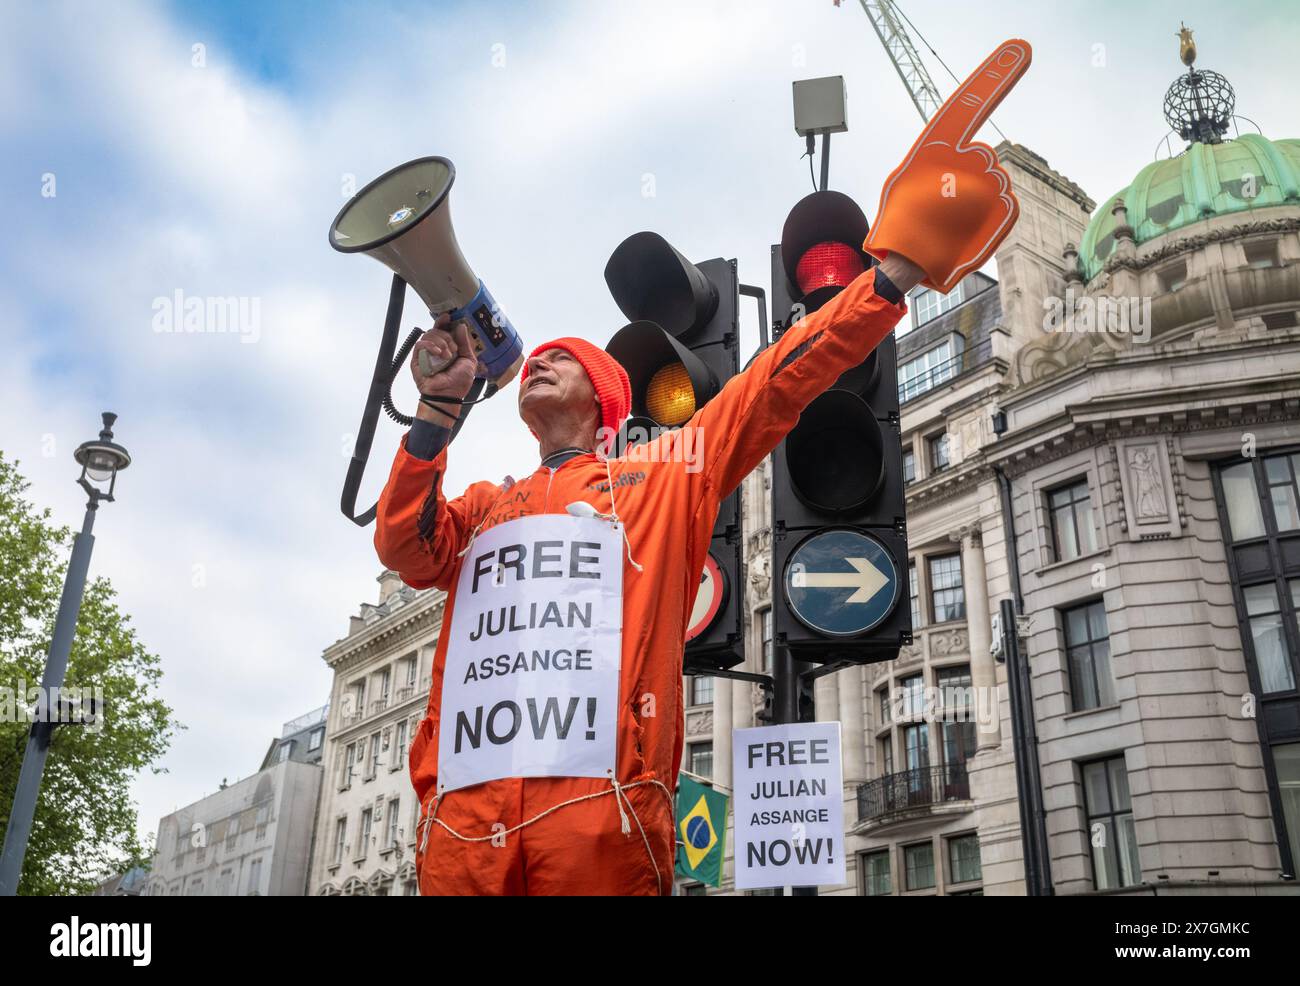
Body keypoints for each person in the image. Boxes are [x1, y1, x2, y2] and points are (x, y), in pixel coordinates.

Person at [374, 39, 1031, 895]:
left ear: (608, 400)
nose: (538, 364)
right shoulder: (484, 509)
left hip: (596, 829)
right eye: (537, 359)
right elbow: (405, 549)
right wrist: (434, 414)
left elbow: (773, 386)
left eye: (561, 359)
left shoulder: (662, 476)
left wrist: (889, 275)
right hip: (463, 836)